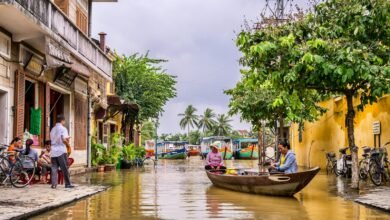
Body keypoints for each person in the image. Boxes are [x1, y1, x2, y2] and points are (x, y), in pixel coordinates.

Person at [50, 115, 74, 189]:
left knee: (54, 168)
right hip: (61, 150)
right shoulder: (63, 129)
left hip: (53, 150)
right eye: (64, 121)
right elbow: (64, 139)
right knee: (65, 168)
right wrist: (68, 142)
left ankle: (54, 184)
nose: (64, 122)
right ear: (62, 121)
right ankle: (67, 184)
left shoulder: (53, 129)